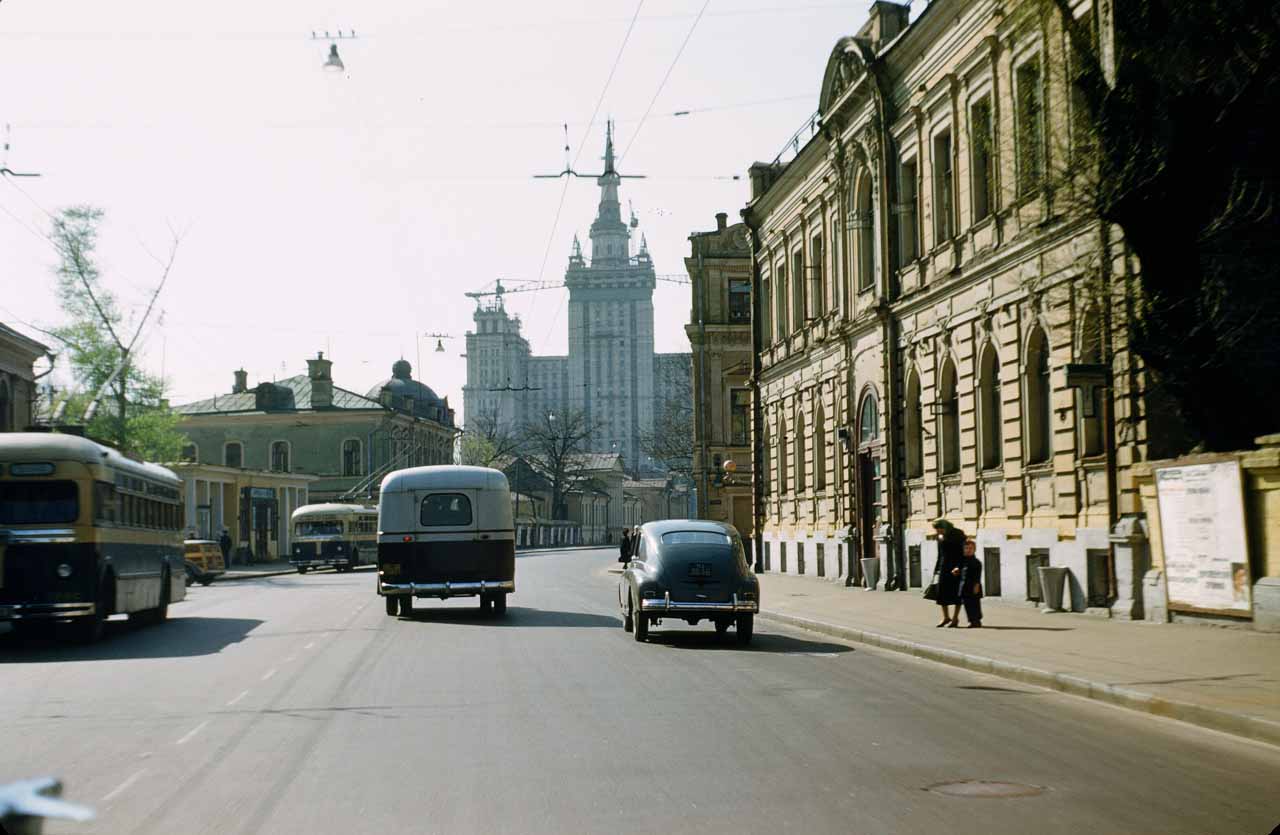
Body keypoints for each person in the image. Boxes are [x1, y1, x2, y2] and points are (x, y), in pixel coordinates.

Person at [931, 519, 966, 628]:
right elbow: (940, 554)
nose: (938, 531)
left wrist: (959, 567)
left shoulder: (958, 534)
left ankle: (955, 618)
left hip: (956, 568)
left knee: (956, 594)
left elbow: (963, 553)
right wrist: (936, 569)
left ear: (945, 527)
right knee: (942, 593)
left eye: (939, 529)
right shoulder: (939, 537)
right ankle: (946, 617)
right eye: (936, 529)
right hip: (944, 567)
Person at [960, 538, 984, 628]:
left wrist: (976, 585)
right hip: (965, 586)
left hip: (973, 586)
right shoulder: (963, 561)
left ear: (974, 550)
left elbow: (978, 575)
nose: (968, 550)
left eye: (970, 548)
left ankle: (976, 620)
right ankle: (973, 620)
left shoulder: (976, 562)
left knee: (975, 604)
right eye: (966, 548)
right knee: (967, 604)